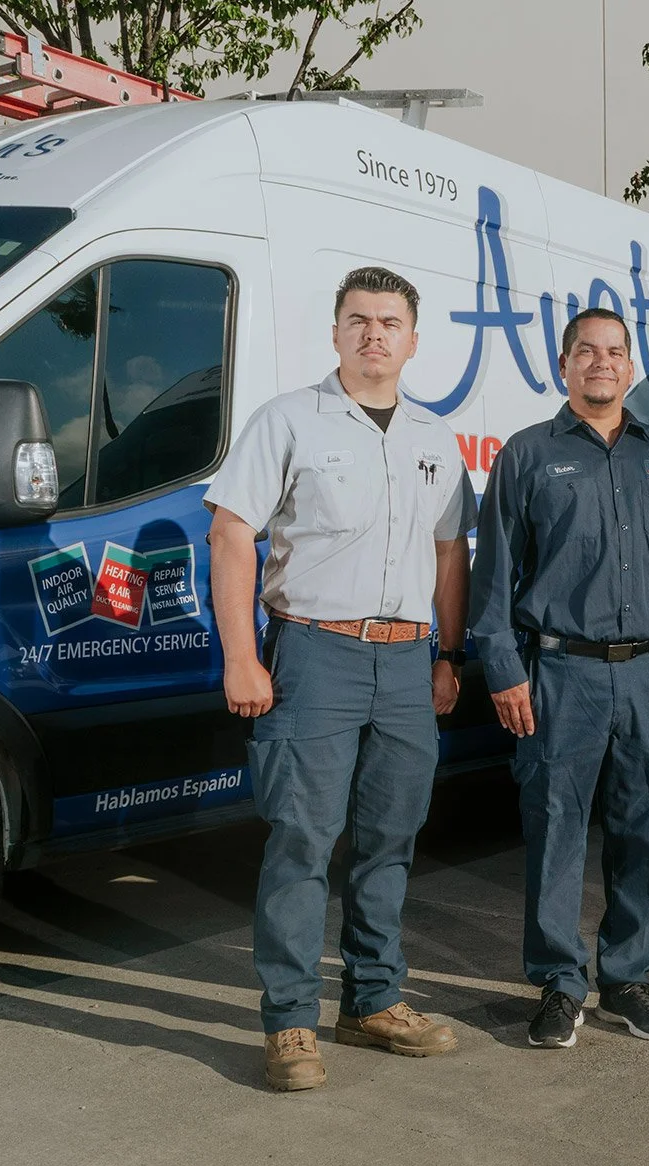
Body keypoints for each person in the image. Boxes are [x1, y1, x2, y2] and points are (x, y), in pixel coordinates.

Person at [206, 266, 476, 1092]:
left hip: (406, 661)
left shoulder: (435, 438)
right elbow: (231, 534)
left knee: (391, 838)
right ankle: (290, 1021)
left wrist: (447, 655)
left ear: (412, 340)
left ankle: (372, 1001)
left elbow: (448, 554)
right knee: (301, 838)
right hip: (314, 654)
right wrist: (242, 656)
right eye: (358, 320)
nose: (373, 335)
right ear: (335, 333)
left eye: (389, 322)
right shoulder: (287, 421)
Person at [470, 308, 649, 1048]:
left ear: (630, 364)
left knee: (644, 826)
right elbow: (493, 581)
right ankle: (558, 982)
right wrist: (506, 671)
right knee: (555, 829)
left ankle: (629, 978)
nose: (601, 363)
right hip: (559, 675)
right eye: (587, 351)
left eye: (614, 351)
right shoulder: (526, 456)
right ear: (564, 365)